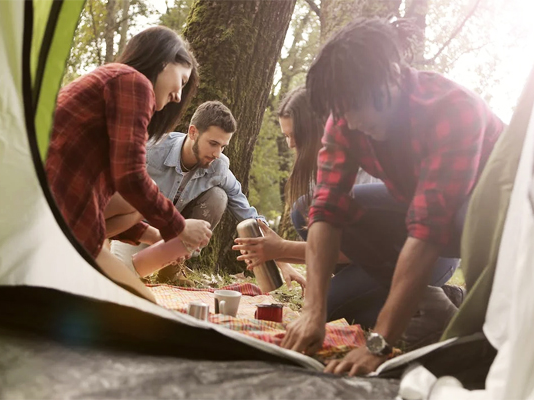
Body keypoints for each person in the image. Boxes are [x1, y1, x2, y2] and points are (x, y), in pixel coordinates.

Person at [278, 17, 505, 376]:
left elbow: (429, 228)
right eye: (342, 112)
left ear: (393, 77)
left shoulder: (452, 109)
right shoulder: (346, 118)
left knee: (461, 218)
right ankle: (430, 305)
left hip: (487, 220)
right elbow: (326, 209)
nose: (350, 123)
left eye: (357, 107)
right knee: (306, 210)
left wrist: (379, 342)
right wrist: (313, 311)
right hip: (419, 207)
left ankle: (483, 322)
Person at [233, 86, 459, 334]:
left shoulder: (363, 164)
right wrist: (275, 253)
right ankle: (419, 305)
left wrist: (282, 249)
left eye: (295, 134)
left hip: (428, 253)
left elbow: (361, 247)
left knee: (329, 307)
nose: (290, 143)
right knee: (304, 212)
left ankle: (440, 297)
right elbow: (352, 249)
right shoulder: (319, 170)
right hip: (380, 261)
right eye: (285, 136)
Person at [45, 26, 212, 301]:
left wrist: (157, 236)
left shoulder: (114, 79)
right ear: (163, 60)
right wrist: (179, 225)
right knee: (146, 309)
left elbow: (108, 196)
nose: (178, 97)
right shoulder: (134, 82)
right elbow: (131, 177)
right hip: (60, 211)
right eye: (181, 81)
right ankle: (76, 263)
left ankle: (83, 264)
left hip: (62, 205)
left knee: (133, 204)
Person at [111, 101, 305, 288]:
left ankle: (172, 267)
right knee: (119, 279)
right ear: (193, 132)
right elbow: (109, 192)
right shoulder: (152, 150)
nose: (217, 153)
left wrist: (282, 261)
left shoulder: (219, 167)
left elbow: (246, 212)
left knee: (218, 197)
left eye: (223, 146)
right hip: (138, 230)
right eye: (213, 143)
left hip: (176, 237)